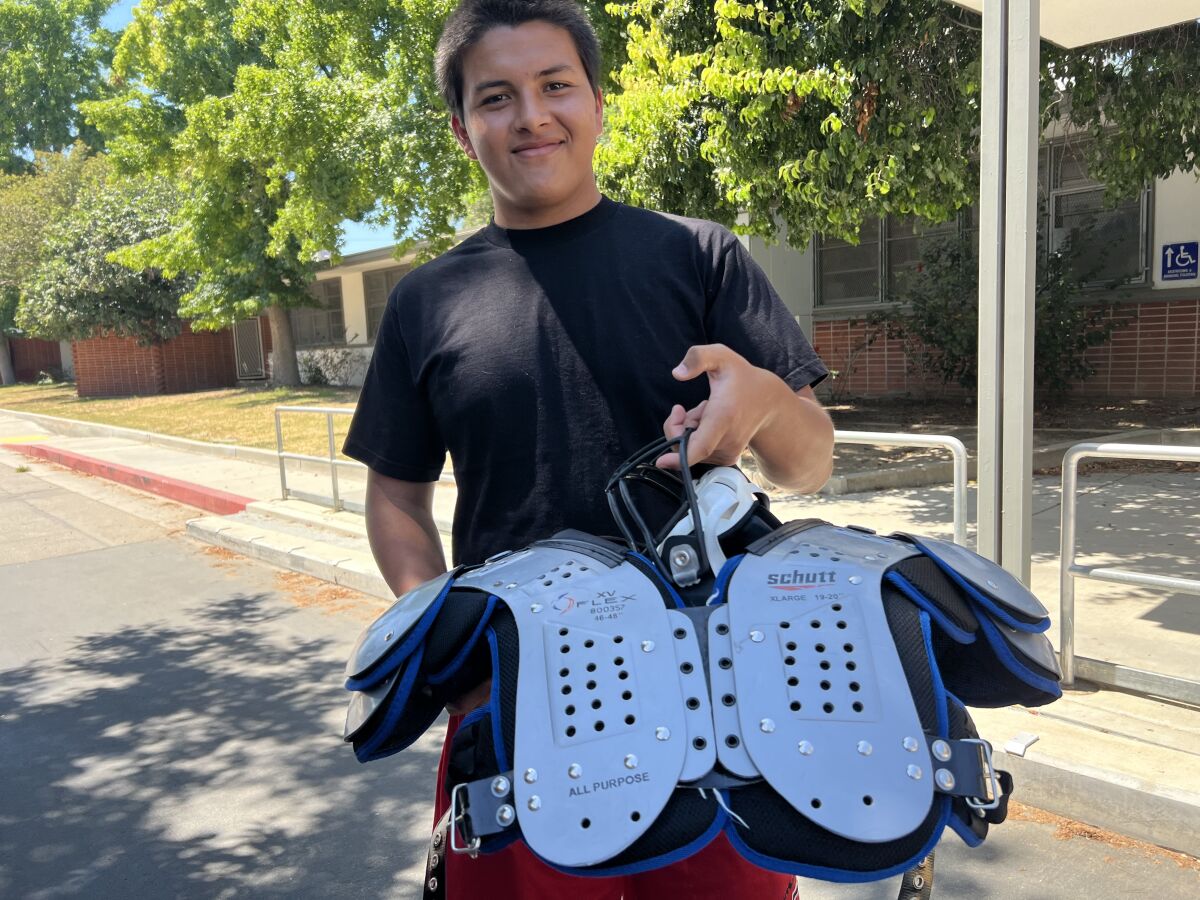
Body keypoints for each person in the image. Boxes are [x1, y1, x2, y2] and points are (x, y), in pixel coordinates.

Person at [343, 1, 835, 896]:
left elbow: (809, 464)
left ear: (599, 104)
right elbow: (396, 497)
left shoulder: (701, 256)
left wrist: (764, 400)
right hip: (517, 690)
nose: (531, 114)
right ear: (462, 130)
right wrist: (445, 639)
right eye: (497, 97)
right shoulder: (426, 301)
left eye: (555, 85)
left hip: (715, 692)